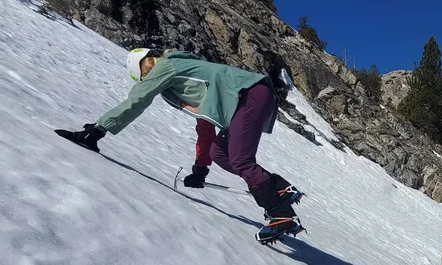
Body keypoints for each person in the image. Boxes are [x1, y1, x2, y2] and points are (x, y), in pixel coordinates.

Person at [55, 49, 304, 244]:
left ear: (148, 59)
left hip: (248, 94)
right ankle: (279, 188)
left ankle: (280, 213)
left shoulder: (167, 65)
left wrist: (99, 129)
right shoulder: (185, 77)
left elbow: (138, 99)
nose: (147, 75)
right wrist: (200, 169)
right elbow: (205, 126)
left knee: (241, 159)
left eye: (144, 71)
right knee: (220, 152)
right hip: (250, 97)